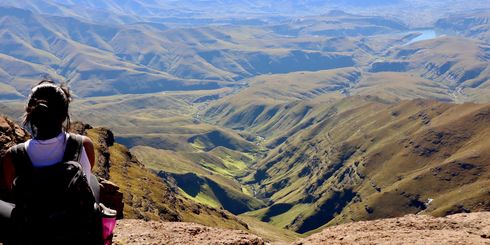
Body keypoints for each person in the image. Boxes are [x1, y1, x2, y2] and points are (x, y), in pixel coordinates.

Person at [0, 80, 101, 244]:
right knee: (94, 182)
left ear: (30, 114)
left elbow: (13, 191)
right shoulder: (83, 145)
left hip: (32, 230)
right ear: (64, 115)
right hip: (74, 232)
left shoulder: (13, 156)